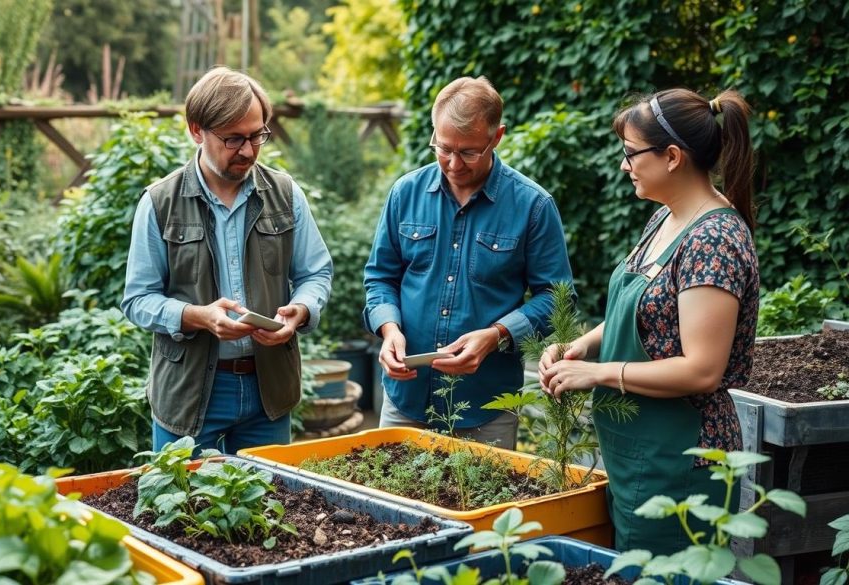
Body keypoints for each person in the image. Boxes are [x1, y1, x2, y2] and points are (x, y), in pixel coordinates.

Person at [538, 88, 759, 554]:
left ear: (673, 156)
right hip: (638, 458)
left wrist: (597, 373)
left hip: (682, 467)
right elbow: (643, 316)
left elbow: (702, 370)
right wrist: (582, 347)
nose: (624, 165)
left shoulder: (714, 239)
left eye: (631, 154)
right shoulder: (665, 219)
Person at [121, 66, 333, 455]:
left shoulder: (285, 194)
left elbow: (316, 272)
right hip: (188, 391)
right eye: (234, 139)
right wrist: (198, 316)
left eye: (258, 135)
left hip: (267, 389)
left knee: (266, 510)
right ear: (196, 130)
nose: (249, 150)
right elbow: (138, 299)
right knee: (182, 509)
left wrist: (300, 310)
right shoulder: (159, 202)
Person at [363, 76, 573, 447]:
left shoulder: (533, 206)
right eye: (443, 148)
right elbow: (380, 277)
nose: (454, 163)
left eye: (469, 152)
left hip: (485, 407)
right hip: (404, 400)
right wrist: (389, 330)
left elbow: (558, 297)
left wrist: (498, 335)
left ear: (497, 136)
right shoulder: (405, 193)